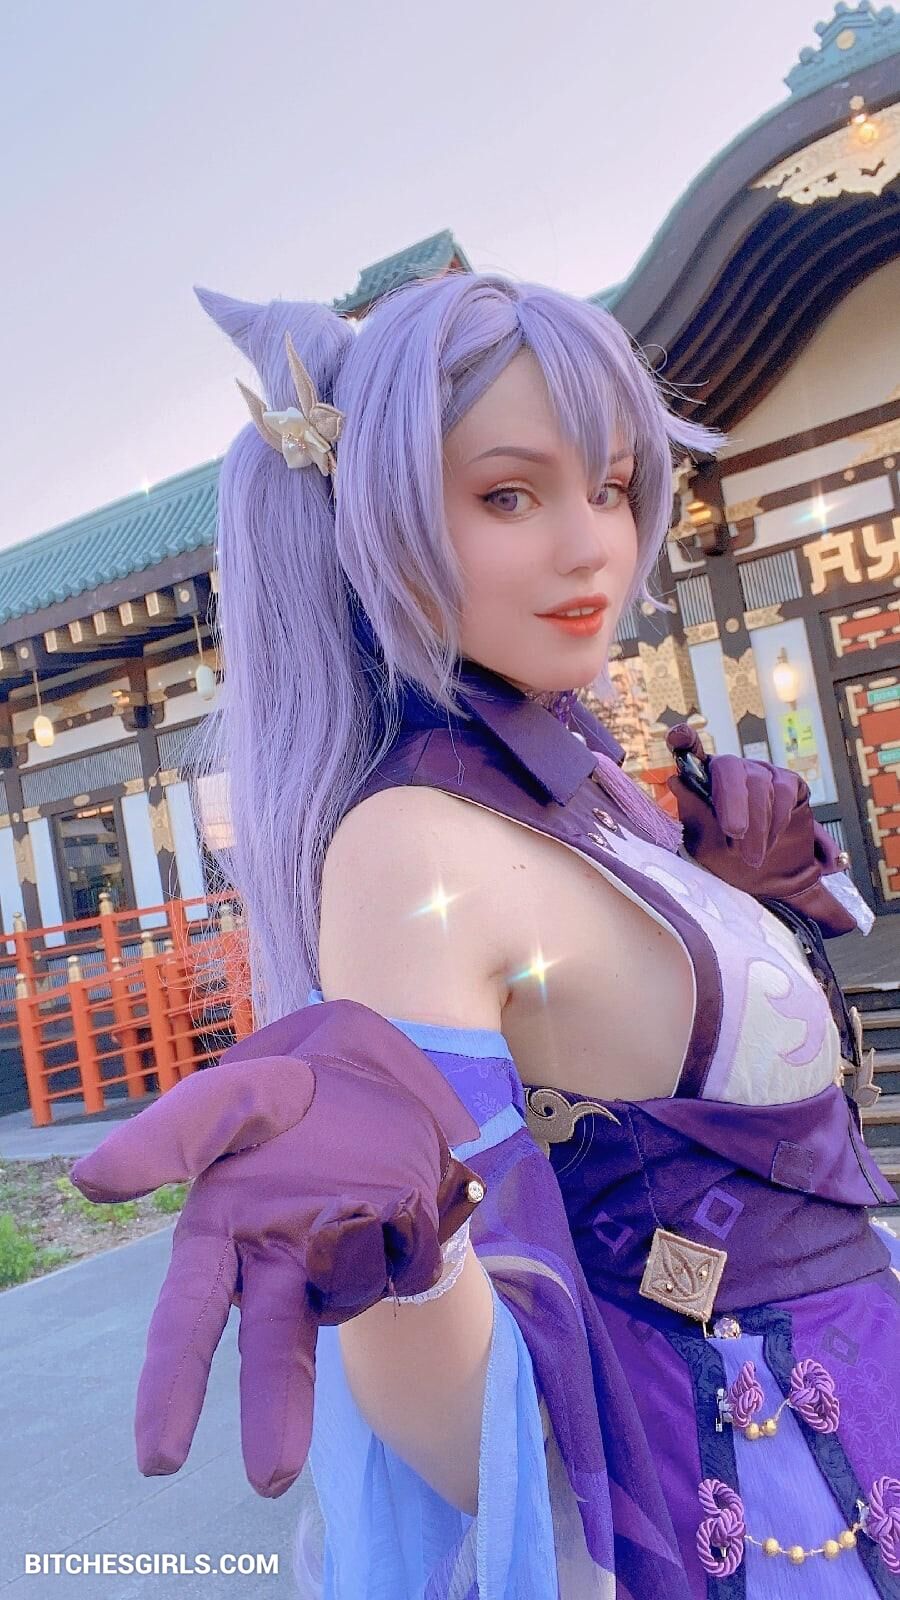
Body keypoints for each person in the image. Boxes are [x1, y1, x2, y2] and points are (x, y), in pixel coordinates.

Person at [72, 272, 900, 1599]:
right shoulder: (414, 844)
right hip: (752, 1469)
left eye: (611, 486)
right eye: (508, 495)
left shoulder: (574, 778)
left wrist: (756, 905)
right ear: (380, 519)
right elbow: (471, 1443)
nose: (592, 547)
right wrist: (401, 1248)